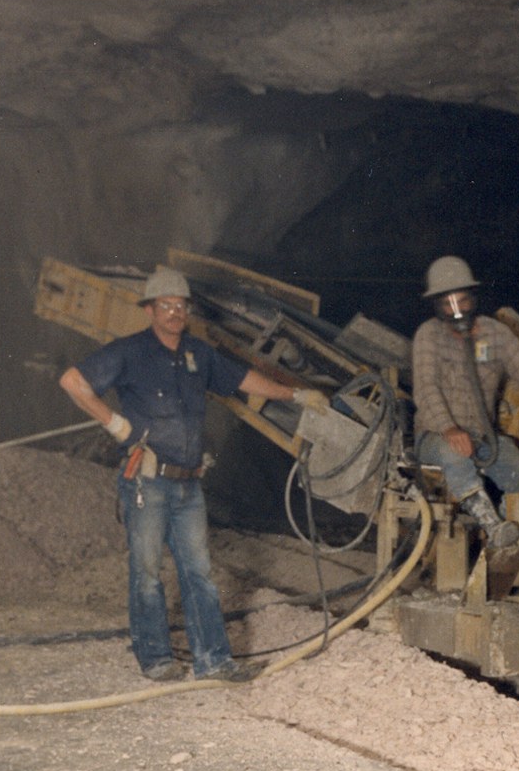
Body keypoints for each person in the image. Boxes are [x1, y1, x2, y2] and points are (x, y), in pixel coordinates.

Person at [58, 267, 326, 683]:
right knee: (147, 573)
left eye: (180, 306)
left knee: (198, 572)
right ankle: (155, 658)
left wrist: (295, 394)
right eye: (165, 306)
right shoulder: (129, 352)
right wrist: (114, 424)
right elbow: (73, 381)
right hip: (146, 482)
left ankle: (213, 659)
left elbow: (244, 380)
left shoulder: (199, 355)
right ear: (150, 310)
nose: (174, 313)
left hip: (188, 484)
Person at [410, 255, 519, 552]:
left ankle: (509, 539)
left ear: (473, 298)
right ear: (437, 305)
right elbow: (426, 388)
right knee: (454, 453)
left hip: (483, 438)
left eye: (463, 301)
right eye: (448, 303)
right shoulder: (428, 335)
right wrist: (448, 428)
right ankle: (491, 525)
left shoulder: (494, 333)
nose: (457, 310)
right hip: (435, 438)